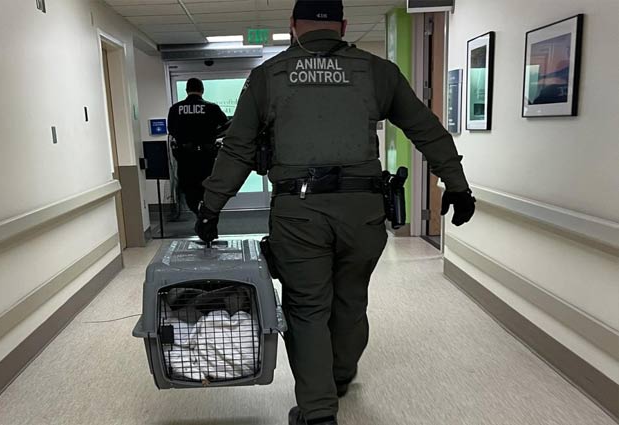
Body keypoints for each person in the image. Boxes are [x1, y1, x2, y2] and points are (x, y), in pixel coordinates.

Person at [195, 1, 476, 424]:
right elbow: (426, 128)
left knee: (307, 308)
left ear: (292, 27)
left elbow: (238, 149)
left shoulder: (268, 76)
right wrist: (456, 184)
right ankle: (340, 376)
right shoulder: (376, 72)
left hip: (299, 213)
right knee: (350, 301)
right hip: (362, 211)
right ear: (343, 25)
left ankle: (318, 412)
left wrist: (210, 207)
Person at [168, 78, 229, 215]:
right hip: (206, 156)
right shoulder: (211, 108)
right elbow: (226, 126)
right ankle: (207, 214)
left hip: (185, 157)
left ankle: (196, 211)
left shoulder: (175, 109)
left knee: (188, 187)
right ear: (202, 90)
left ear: (186, 90)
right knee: (207, 186)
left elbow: (171, 130)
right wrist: (213, 135)